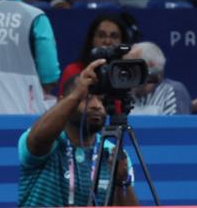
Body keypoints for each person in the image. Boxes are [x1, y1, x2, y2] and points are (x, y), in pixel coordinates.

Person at [18, 57, 138, 207]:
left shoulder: (113, 154)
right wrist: (76, 95)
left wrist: (121, 182)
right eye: (86, 98)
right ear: (63, 101)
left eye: (102, 100)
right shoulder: (48, 141)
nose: (96, 106)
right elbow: (37, 140)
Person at [125, 41, 190, 115]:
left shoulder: (172, 90)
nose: (127, 70)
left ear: (150, 66)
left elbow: (176, 125)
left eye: (132, 65)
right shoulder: (124, 95)